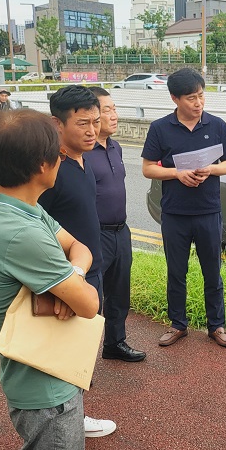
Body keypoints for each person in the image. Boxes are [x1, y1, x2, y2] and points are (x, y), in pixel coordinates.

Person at [0, 109, 101, 450]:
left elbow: (79, 247)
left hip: (42, 373)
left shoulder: (11, 205)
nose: (62, 161)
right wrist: (74, 289)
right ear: (44, 165)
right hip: (47, 390)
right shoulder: (21, 232)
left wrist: (71, 276)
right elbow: (89, 304)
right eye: (59, 155)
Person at [38, 84, 116, 438]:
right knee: (66, 351)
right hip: (68, 275)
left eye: (96, 121)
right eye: (83, 123)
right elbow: (38, 230)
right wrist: (64, 281)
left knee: (84, 348)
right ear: (58, 124)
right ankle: (64, 422)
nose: (92, 130)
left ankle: (73, 415)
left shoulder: (86, 160)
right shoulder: (50, 169)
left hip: (91, 268)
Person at [141, 68, 226, 348]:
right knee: (176, 271)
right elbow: (147, 169)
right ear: (175, 98)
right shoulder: (160, 128)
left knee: (213, 271)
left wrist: (211, 169)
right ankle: (178, 324)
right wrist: (176, 173)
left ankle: (216, 326)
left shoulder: (216, 125)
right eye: (191, 98)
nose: (198, 103)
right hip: (174, 213)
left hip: (209, 211)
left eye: (201, 96)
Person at [85, 86, 146, 363]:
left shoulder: (115, 147)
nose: (114, 115)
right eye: (107, 110)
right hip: (94, 235)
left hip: (120, 231)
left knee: (119, 293)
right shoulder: (82, 153)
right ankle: (80, 360)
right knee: (91, 298)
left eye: (114, 109)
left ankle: (114, 343)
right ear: (92, 115)